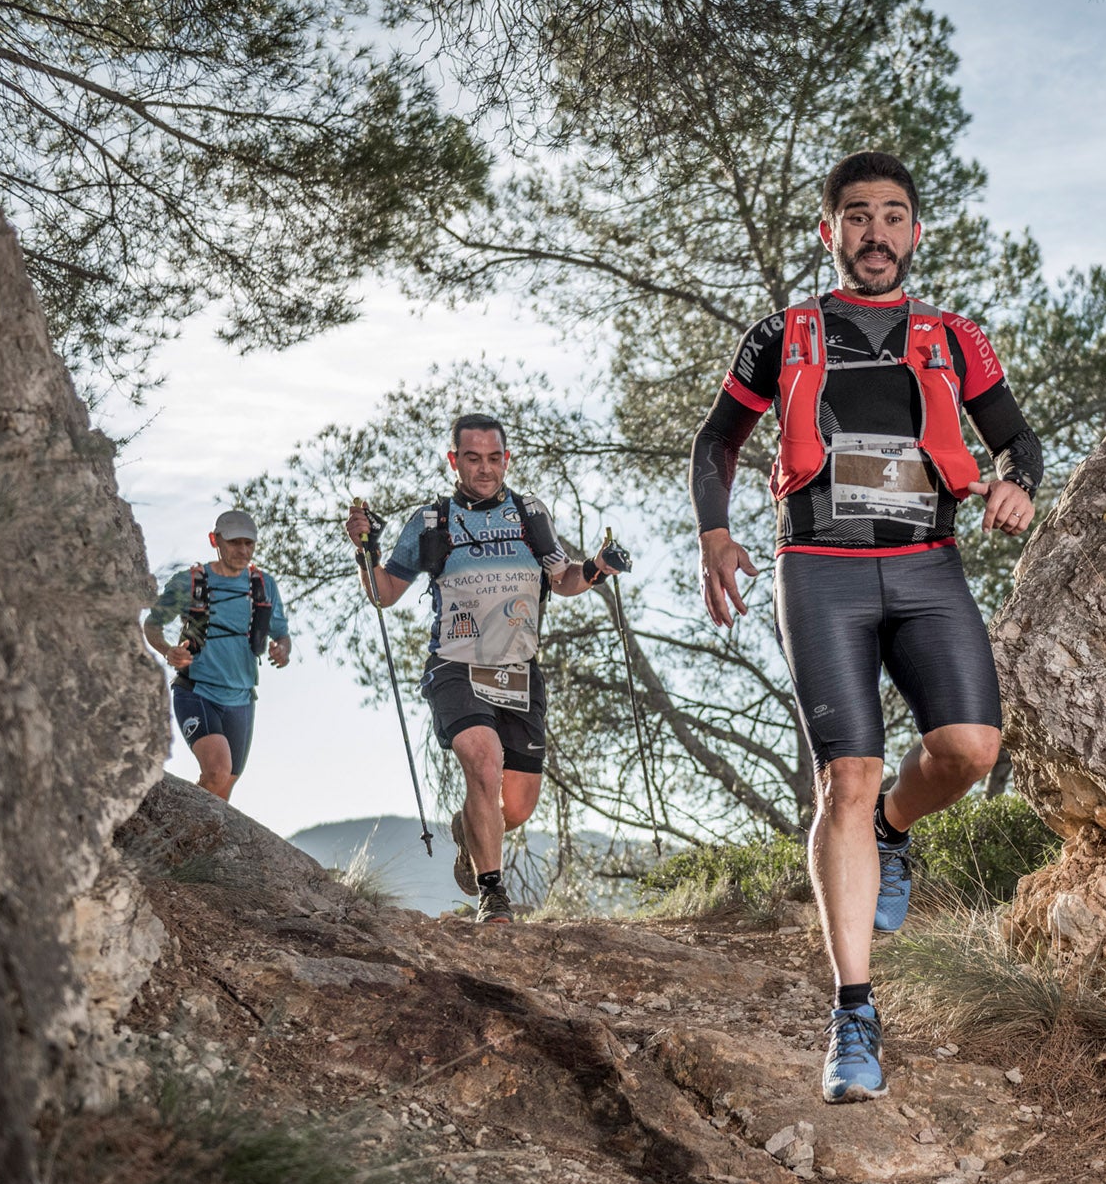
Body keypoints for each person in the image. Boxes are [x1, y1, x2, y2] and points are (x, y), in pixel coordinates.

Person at [689, 152, 1043, 1102]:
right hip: (820, 572)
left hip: (928, 566)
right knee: (844, 774)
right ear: (831, 232)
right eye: (857, 216)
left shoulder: (953, 337)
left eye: (893, 216)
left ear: (916, 233)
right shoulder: (784, 334)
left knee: (969, 746)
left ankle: (895, 827)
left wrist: (1017, 483)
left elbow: (1017, 437)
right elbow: (718, 438)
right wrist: (715, 534)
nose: (876, 233)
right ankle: (854, 1016)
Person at [344, 413, 629, 925]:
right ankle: (492, 893)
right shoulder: (431, 522)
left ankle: (468, 830)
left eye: (494, 458)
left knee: (515, 807)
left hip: (519, 671)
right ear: (454, 461)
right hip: (455, 666)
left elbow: (561, 577)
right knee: (483, 758)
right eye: (472, 459)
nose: (485, 469)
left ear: (506, 459)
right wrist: (364, 551)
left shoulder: (530, 513)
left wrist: (596, 569)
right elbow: (384, 593)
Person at [144, 509, 292, 802]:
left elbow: (282, 635)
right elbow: (152, 626)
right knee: (217, 772)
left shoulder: (263, 585)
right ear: (215, 540)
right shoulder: (188, 582)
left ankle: (188, 845)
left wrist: (282, 651)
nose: (243, 550)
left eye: (249, 544)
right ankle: (169, 827)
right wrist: (167, 650)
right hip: (197, 691)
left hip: (242, 697)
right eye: (235, 542)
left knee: (222, 791)